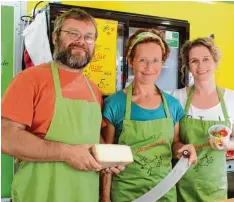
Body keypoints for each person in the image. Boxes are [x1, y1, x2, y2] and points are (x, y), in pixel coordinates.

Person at [1, 8, 124, 202]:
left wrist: (106, 158)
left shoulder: (94, 90)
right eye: (73, 33)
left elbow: (93, 138)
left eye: (88, 37)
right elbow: (6, 136)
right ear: (55, 37)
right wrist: (66, 153)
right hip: (40, 194)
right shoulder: (29, 79)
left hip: (85, 195)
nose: (81, 41)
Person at [100, 28, 197, 202]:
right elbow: (107, 158)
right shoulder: (114, 104)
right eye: (143, 60)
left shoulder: (172, 106)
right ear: (131, 61)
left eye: (155, 61)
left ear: (162, 63)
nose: (149, 67)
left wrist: (183, 149)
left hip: (164, 192)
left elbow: (174, 144)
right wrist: (105, 198)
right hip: (125, 193)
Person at [171, 37, 234, 202]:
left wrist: (229, 145)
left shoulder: (231, 99)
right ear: (188, 66)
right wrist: (182, 147)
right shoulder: (176, 98)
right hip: (181, 184)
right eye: (194, 61)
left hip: (215, 187)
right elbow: (172, 141)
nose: (201, 66)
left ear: (215, 61)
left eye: (206, 59)